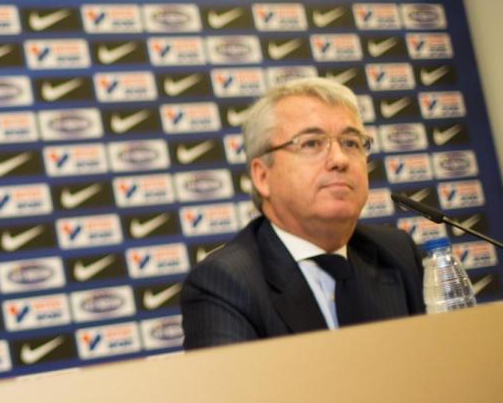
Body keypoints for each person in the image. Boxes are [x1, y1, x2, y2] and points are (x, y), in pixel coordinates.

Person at [181, 78, 424, 350]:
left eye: (351, 143)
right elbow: (238, 393)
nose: (340, 160)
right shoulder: (226, 283)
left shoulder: (397, 254)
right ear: (262, 176)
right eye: (311, 143)